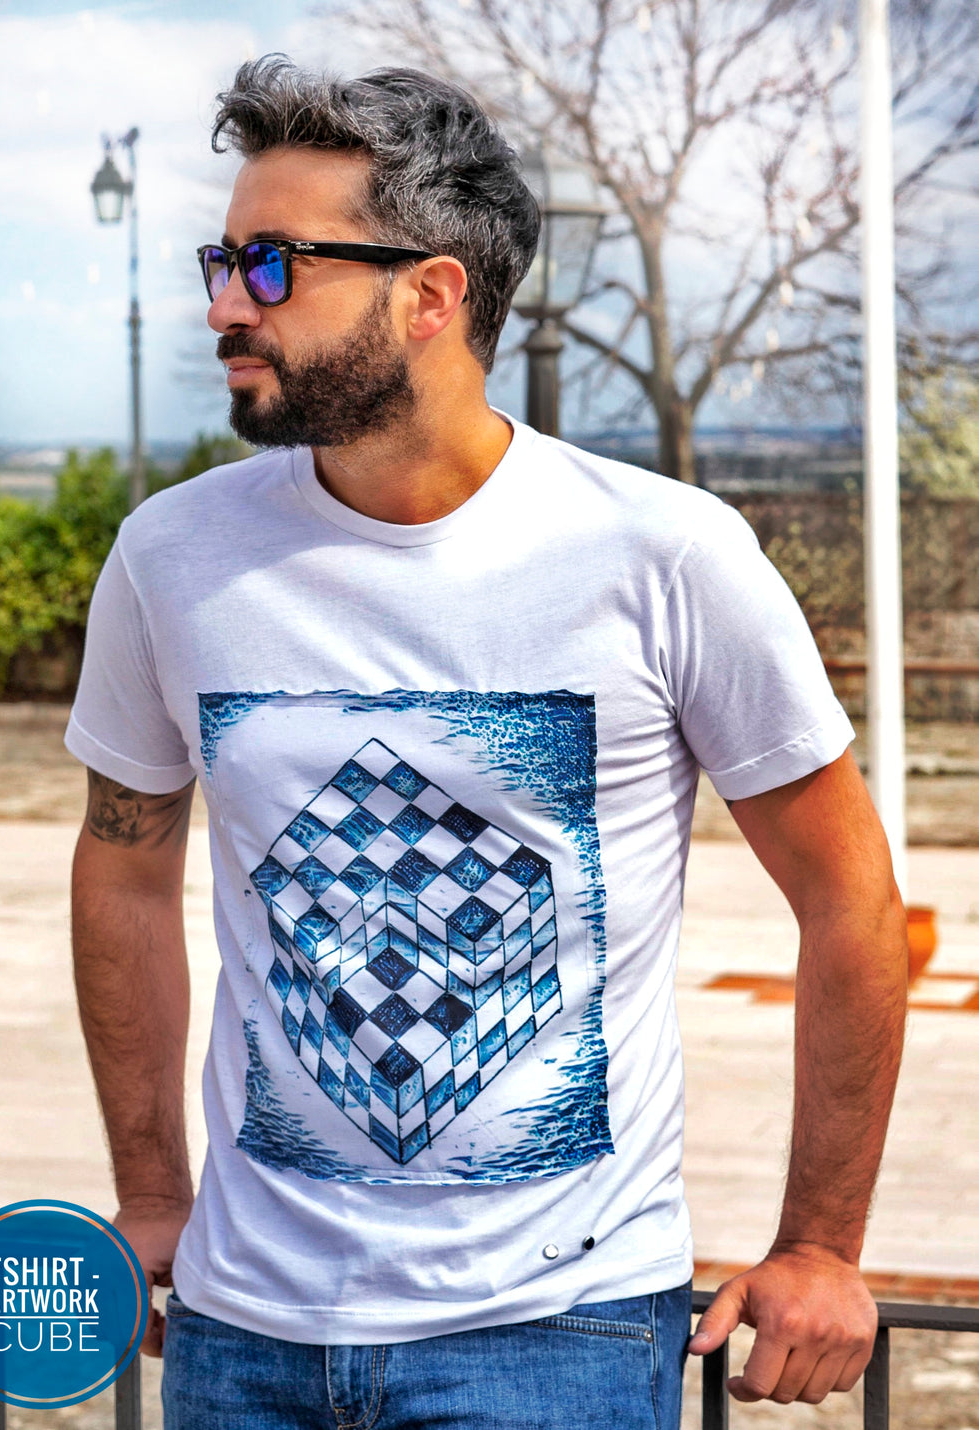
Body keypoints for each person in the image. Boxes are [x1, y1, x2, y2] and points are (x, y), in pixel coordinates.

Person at [67, 56, 907, 1430]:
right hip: (241, 1336)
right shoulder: (171, 557)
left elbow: (850, 896)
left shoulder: (665, 555)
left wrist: (820, 1242)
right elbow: (122, 872)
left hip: (560, 1336)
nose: (224, 305)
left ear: (432, 294)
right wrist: (154, 1190)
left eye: (273, 264)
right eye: (222, 261)